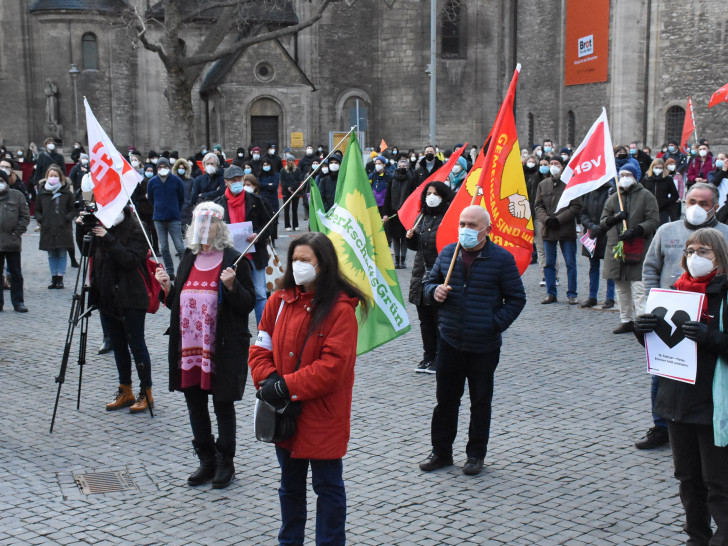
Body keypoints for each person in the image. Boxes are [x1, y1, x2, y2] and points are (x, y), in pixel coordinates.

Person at [248, 232, 368, 545]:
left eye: (306, 261)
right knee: (289, 487)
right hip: (286, 413)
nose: (299, 266)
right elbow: (261, 346)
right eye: (295, 260)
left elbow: (331, 369)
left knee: (328, 487)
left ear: (323, 265)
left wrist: (283, 386)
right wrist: (268, 380)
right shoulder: (279, 299)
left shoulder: (340, 310)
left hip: (322, 417)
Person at [634, 227, 728, 545]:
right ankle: (697, 536)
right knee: (687, 478)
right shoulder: (674, 291)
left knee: (718, 481)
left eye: (704, 252)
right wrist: (641, 330)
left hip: (713, 403)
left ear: (720, 257)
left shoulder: (724, 294)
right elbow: (663, 348)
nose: (695, 258)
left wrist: (711, 337)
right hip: (676, 401)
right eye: (690, 251)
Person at [419, 206, 526, 476]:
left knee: (480, 402)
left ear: (487, 230)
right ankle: (441, 452)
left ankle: (475, 455)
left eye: (473, 225)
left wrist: (494, 323)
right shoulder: (448, 253)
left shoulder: (501, 259)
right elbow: (428, 283)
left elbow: (516, 299)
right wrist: (434, 292)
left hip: (483, 345)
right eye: (462, 223)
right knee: (445, 401)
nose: (466, 229)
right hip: (450, 340)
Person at [155, 202, 255, 489]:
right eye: (199, 221)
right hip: (190, 348)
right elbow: (178, 303)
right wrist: (166, 289)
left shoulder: (235, 260)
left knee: (222, 404)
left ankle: (226, 461)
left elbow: (247, 304)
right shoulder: (189, 257)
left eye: (210, 222)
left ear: (220, 227)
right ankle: (206, 459)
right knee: (194, 404)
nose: (204, 227)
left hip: (221, 349)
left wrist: (233, 286)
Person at [638, 182, 728, 450]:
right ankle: (662, 425)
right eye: (692, 202)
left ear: (715, 207)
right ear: (683, 202)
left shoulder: (725, 234)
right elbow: (651, 267)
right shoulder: (666, 231)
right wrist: (651, 306)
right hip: (669, 315)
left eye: (703, 203)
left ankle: (710, 423)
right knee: (664, 377)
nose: (696, 208)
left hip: (711, 318)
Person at [86, 205, 155, 413]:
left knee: (136, 344)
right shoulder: (102, 225)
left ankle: (146, 392)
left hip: (131, 296)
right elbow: (90, 257)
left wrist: (108, 238)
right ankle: (125, 389)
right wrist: (85, 232)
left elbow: (130, 259)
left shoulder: (137, 227)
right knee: (118, 345)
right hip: (107, 296)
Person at [599, 162, 660, 333]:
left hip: (638, 246)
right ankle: (626, 319)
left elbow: (654, 220)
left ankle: (641, 320)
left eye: (628, 175)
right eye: (622, 175)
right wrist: (615, 218)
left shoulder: (646, 196)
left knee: (639, 288)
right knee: (621, 287)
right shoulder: (614, 197)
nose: (625, 178)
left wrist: (637, 230)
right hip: (616, 247)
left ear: (635, 177)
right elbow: (603, 220)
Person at [215, 165, 272, 325]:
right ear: (226, 182)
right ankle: (238, 328)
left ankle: (264, 330)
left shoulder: (256, 200)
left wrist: (258, 235)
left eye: (240, 179)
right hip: (231, 256)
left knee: (260, 293)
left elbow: (268, 224)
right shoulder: (218, 204)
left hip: (254, 254)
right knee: (234, 293)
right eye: (234, 180)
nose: (238, 182)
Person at [406, 182, 454, 373]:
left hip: (440, 274)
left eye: (435, 194)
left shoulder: (449, 217)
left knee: (438, 319)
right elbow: (418, 246)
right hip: (421, 274)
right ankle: (428, 356)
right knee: (424, 320)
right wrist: (411, 238)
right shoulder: (422, 217)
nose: (431, 197)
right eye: (428, 193)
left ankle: (441, 358)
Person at [534, 156, 581, 304]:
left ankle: (572, 294)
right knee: (549, 263)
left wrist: (559, 219)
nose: (553, 166)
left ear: (562, 166)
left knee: (570, 263)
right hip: (549, 229)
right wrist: (546, 219)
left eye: (556, 164)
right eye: (551, 164)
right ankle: (551, 293)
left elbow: (576, 206)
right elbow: (538, 205)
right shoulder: (543, 184)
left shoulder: (570, 183)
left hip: (566, 229)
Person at [34, 164, 76, 288]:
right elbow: (37, 209)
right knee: (51, 254)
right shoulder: (42, 193)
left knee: (62, 253)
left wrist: (66, 218)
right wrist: (41, 219)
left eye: (55, 176)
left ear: (60, 177)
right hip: (47, 227)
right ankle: (54, 277)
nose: (53, 177)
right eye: (51, 175)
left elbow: (73, 209)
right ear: (47, 177)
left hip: (63, 228)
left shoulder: (67, 193)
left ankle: (60, 278)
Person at [579, 179, 616, 309]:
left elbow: (615, 214)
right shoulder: (589, 191)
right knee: (593, 266)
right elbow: (583, 213)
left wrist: (601, 226)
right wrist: (590, 225)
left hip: (607, 234)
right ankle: (592, 296)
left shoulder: (612, 192)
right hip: (592, 234)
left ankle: (610, 297)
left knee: (610, 267)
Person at [147, 157, 185, 278]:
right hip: (158, 218)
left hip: (174, 218)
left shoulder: (177, 181)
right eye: (160, 167)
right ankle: (170, 271)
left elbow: (181, 198)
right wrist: (158, 208)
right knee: (163, 248)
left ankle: (184, 271)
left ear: (169, 167)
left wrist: (175, 210)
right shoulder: (152, 182)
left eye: (165, 166)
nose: (162, 169)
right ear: (157, 168)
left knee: (180, 247)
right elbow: (151, 199)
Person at [0, 169, 30, 312]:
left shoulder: (17, 196)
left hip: (12, 242)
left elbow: (25, 216)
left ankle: (18, 302)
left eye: (1, 181)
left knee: (16, 274)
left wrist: (17, 233)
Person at [384, 157, 417, 269]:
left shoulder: (411, 179)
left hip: (406, 213)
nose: (402, 168)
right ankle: (396, 259)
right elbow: (387, 197)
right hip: (393, 212)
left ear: (407, 168)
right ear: (396, 167)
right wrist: (385, 213)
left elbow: (413, 197)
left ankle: (403, 260)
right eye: (400, 166)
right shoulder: (392, 179)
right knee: (394, 237)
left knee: (404, 237)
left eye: (404, 166)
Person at [640, 158, 680, 225]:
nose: (658, 169)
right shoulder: (646, 179)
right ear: (652, 167)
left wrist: (665, 202)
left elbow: (675, 195)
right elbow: (641, 193)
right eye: (656, 167)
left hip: (663, 209)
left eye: (660, 168)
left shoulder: (668, 179)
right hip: (648, 209)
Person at [279, 154, 302, 231]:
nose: (291, 162)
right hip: (286, 192)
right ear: (287, 162)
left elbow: (299, 180)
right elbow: (282, 181)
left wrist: (292, 188)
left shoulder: (297, 170)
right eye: (289, 160)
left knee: (295, 209)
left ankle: (295, 225)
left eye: (292, 160)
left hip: (295, 192)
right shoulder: (283, 170)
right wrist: (288, 188)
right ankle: (287, 225)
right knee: (286, 209)